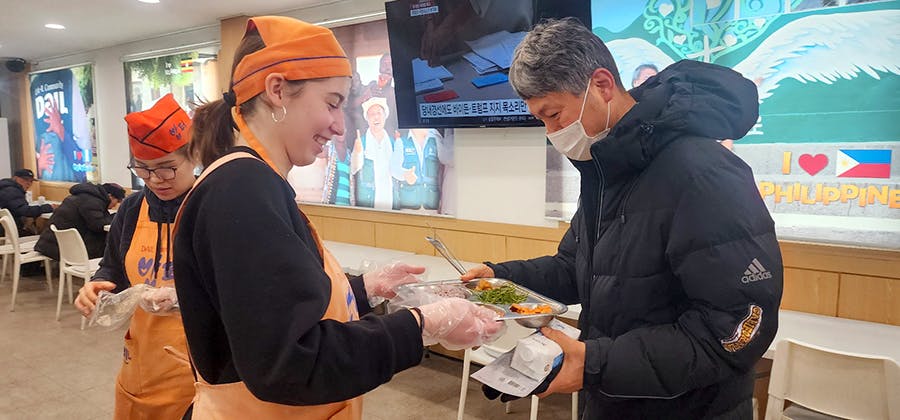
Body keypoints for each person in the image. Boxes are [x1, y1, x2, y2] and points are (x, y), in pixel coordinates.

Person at [174, 16, 503, 418]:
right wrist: (420, 326)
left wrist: (362, 290)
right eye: (331, 103)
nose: (338, 126)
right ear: (277, 90)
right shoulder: (242, 190)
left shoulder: (255, 182)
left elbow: (274, 306)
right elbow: (291, 363)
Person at [463, 18, 783, 418]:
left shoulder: (702, 172)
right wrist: (498, 279)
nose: (552, 132)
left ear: (601, 85)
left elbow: (734, 327)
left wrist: (595, 362)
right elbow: (578, 269)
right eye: (541, 120)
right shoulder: (606, 170)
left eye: (555, 114)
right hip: (614, 397)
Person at [73, 93, 196, 419]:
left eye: (167, 168)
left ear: (193, 155)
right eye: (143, 169)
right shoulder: (131, 208)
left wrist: (181, 298)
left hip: (197, 369)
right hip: (142, 360)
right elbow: (112, 267)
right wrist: (97, 286)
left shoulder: (210, 207)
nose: (155, 180)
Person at [34, 182, 125, 260]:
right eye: (117, 202)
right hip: (67, 251)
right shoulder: (93, 201)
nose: (115, 205)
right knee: (113, 243)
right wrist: (118, 216)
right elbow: (98, 225)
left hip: (51, 245)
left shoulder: (83, 196)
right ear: (110, 196)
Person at [352, 96, 396, 209]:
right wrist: (357, 152)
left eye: (379, 113)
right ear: (367, 119)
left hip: (390, 200)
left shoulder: (393, 142)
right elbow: (354, 168)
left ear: (385, 116)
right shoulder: (361, 142)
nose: (376, 117)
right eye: (372, 114)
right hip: (369, 201)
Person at [391, 128, 444, 212]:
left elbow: (443, 168)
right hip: (408, 205)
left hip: (432, 205)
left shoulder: (436, 139)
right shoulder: (401, 141)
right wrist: (405, 174)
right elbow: (394, 168)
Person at [0, 169, 57, 235]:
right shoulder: (11, 191)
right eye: (25, 179)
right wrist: (49, 207)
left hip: (6, 229)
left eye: (31, 181)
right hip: (8, 232)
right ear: (15, 178)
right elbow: (24, 211)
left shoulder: (6, 188)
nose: (28, 183)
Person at [322, 133, 355, 206]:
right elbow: (313, 152)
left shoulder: (350, 154)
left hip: (348, 203)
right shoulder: (329, 149)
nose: (341, 132)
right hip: (332, 202)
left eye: (344, 130)